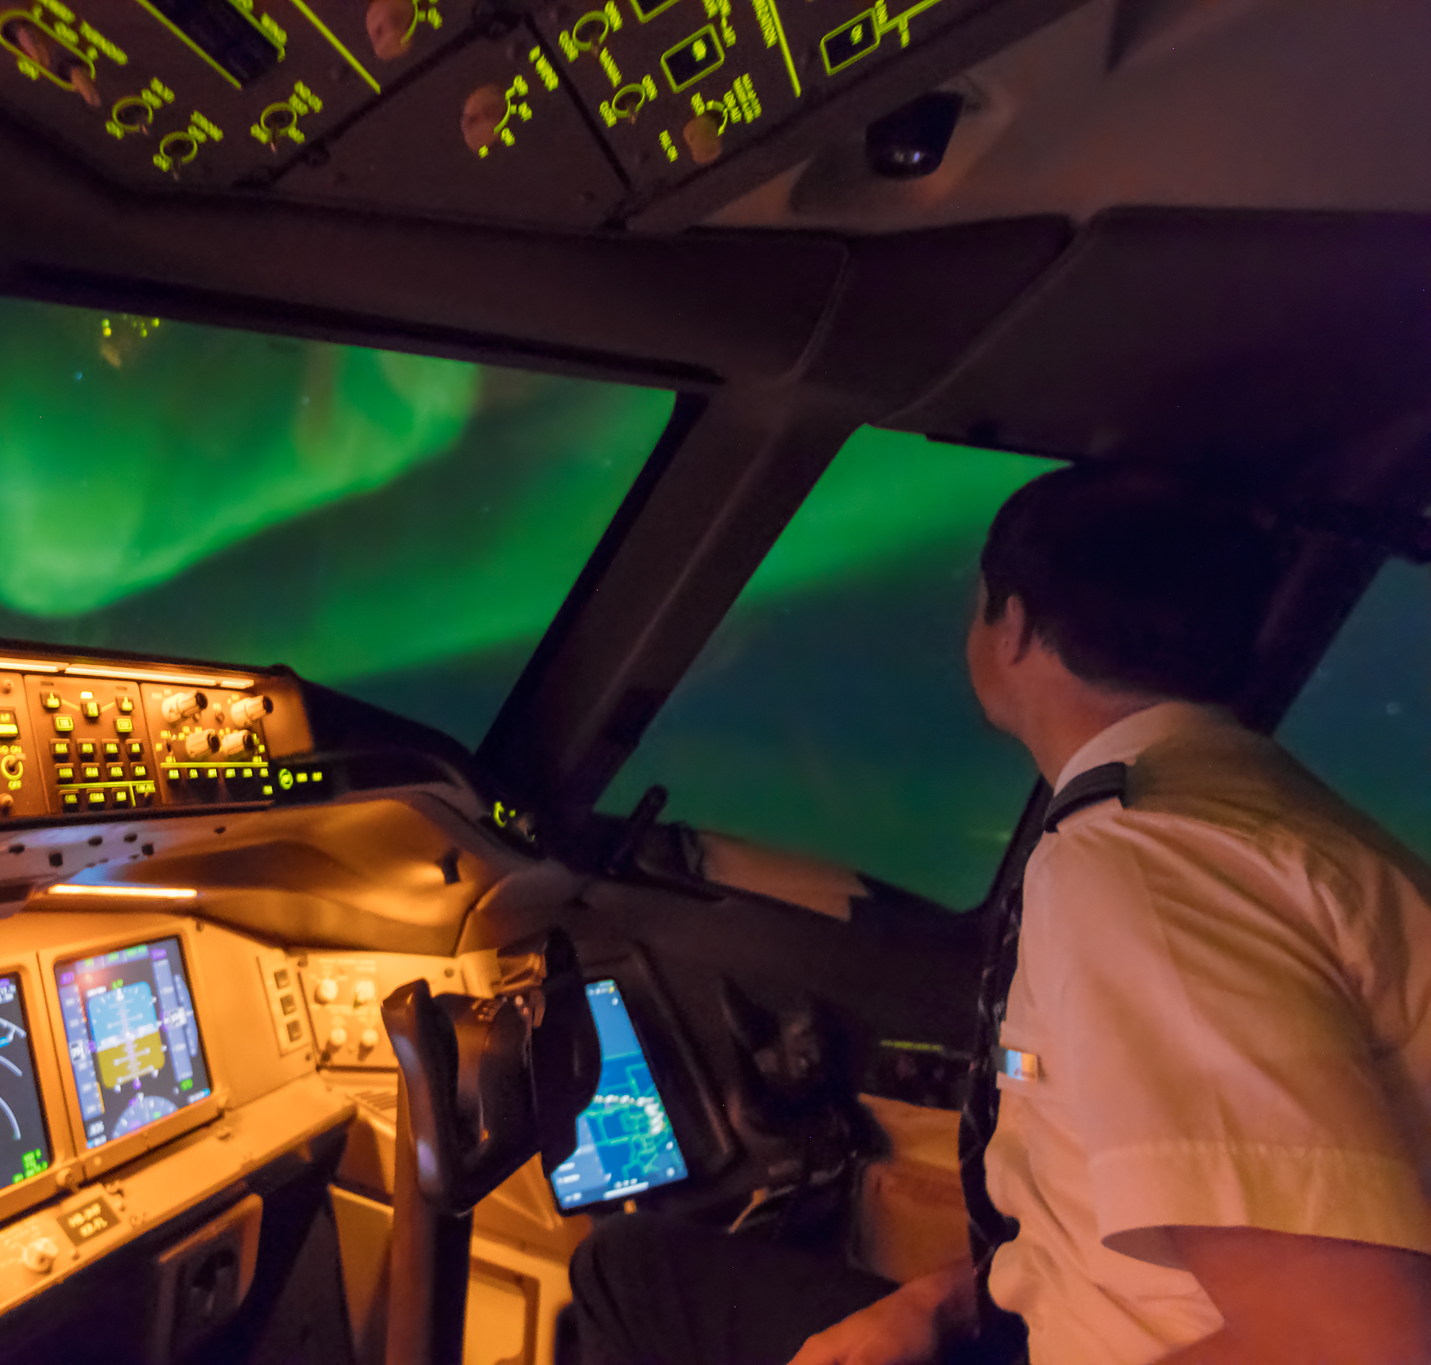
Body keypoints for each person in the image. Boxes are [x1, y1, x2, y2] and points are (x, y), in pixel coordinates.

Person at [571, 463, 1431, 1364]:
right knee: (645, 1266)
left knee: (630, 1277)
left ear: (1013, 626)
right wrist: (934, 1301)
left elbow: (1348, 1341)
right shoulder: (1255, 811)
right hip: (1048, 1328)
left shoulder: (1147, 869)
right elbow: (1100, 1221)